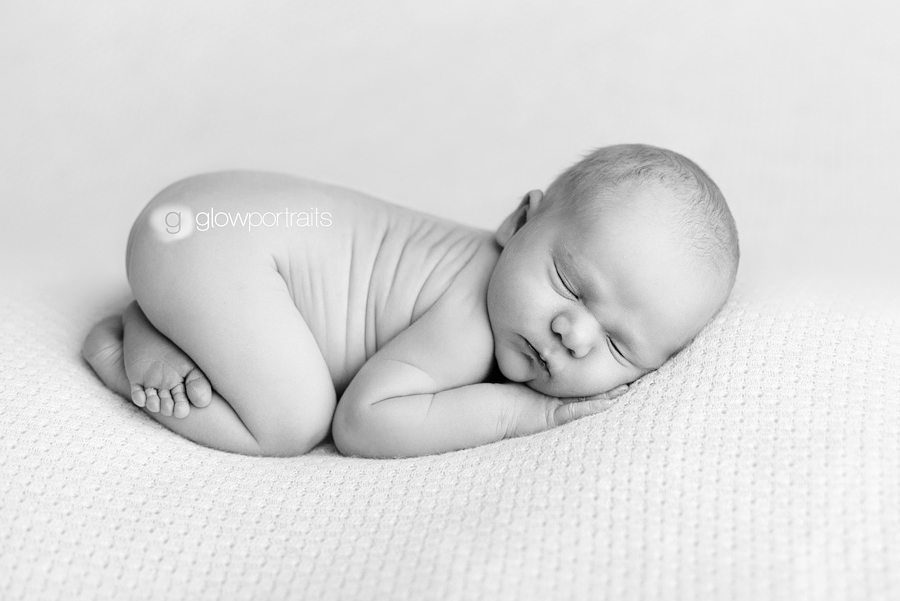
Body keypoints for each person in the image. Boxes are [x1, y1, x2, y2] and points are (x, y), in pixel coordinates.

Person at [81, 144, 739, 459]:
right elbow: (365, 421)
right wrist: (518, 414)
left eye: (618, 345)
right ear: (517, 223)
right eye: (569, 284)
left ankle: (167, 314)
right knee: (291, 422)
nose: (573, 333)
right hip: (212, 243)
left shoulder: (500, 286)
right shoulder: (470, 318)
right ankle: (124, 344)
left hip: (196, 219)